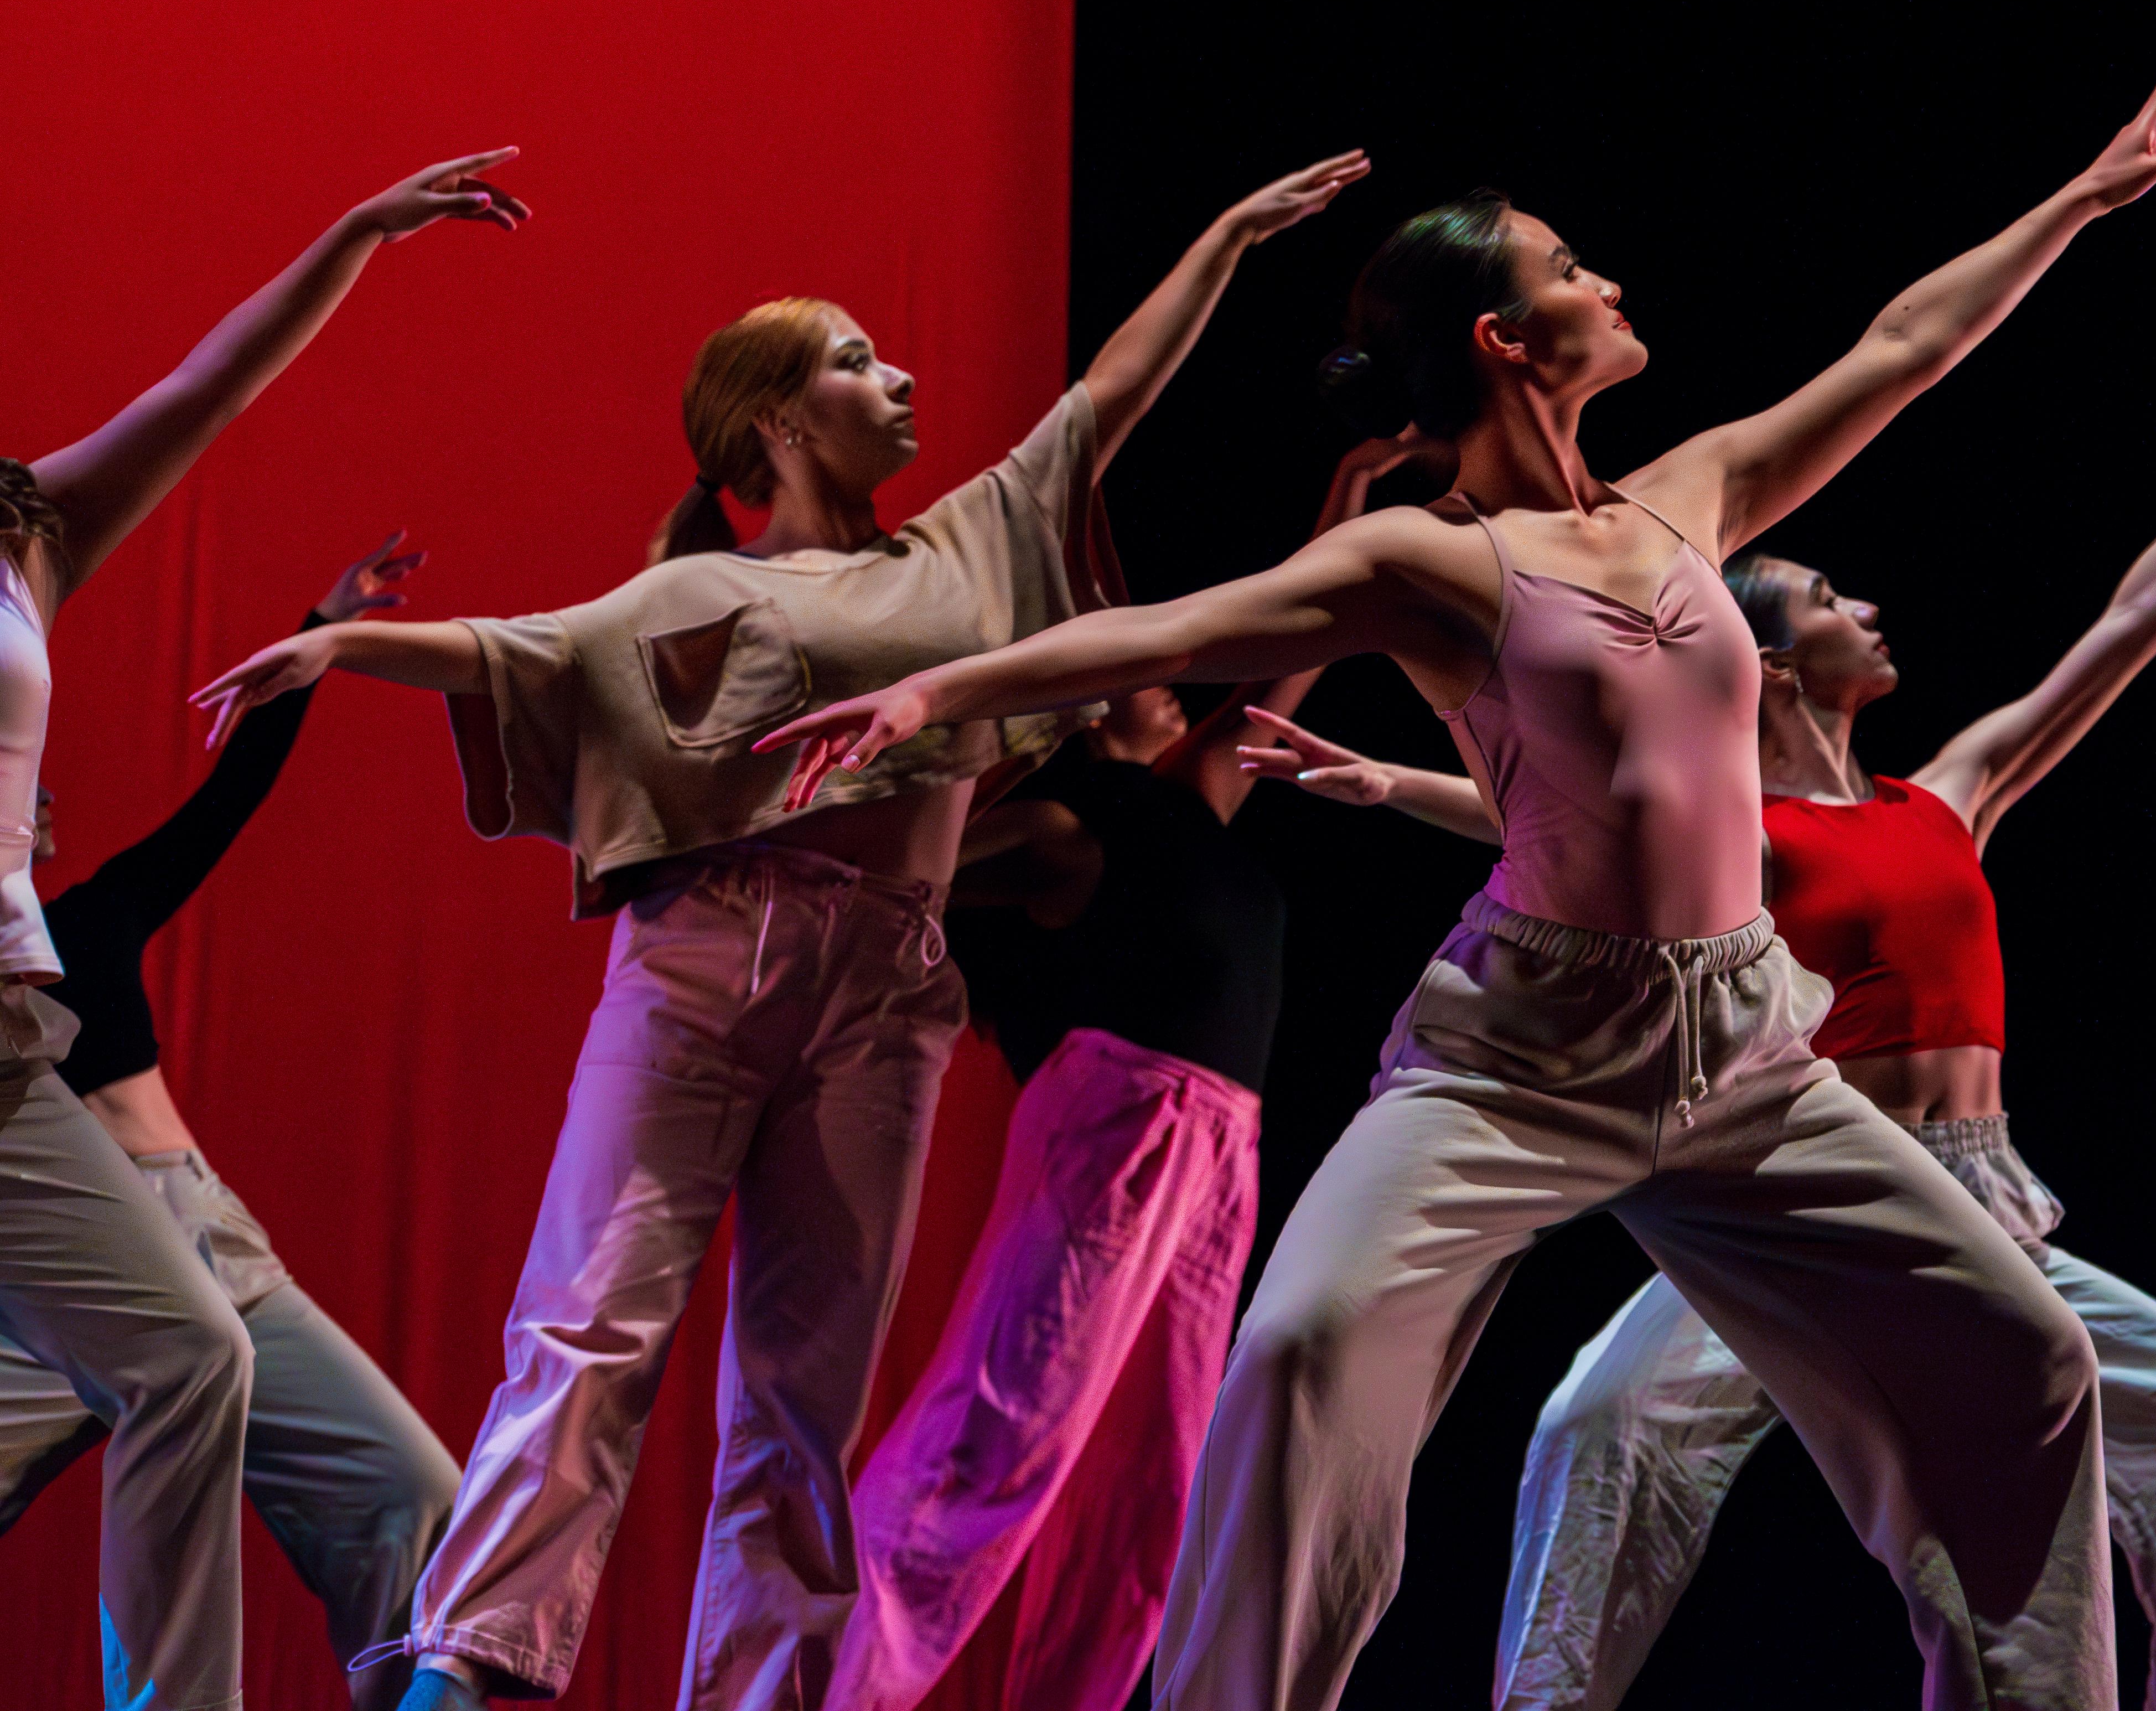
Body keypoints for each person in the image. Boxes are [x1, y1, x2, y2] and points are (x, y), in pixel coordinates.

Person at [756, 68, 2156, 1711]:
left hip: (1743, 1051)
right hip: (1521, 1055)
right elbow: (1178, 634)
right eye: (1568, 268)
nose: (1606, 280)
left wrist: (2082, 200)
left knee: (2027, 1361)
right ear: (1502, 340)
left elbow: (1908, 347)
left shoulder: (1690, 499)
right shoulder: (1433, 563)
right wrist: (930, 698)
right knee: (1303, 1353)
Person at [189, 152, 1370, 1709]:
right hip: (704, 960)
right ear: (777, 421)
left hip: (887, 988)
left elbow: (1111, 395)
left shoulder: (959, 547)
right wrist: (341, 642)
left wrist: (1221, 234)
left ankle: (760, 1700)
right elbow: (523, 648)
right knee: (593, 1325)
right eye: (858, 361)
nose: (902, 376)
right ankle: (470, 1674)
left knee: (804, 1397)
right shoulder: (702, 590)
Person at [1251, 299, 2156, 1711]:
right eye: (1835, 600)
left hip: (1966, 1208)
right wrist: (1388, 782)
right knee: (1597, 1429)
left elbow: (2127, 626)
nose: (1870, 612)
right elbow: (1570, 820)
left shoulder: (1944, 793)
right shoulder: (1742, 826)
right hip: (1790, 1188)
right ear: (1765, 661)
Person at [3, 149, 524, 1710]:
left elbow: (208, 383)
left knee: (196, 1362)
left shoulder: (28, 525)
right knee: (182, 1363)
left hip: (15, 1044)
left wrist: (355, 231)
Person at [833, 429, 1445, 1711]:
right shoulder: (1068, 822)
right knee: (1000, 1429)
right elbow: (903, 862)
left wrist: (1341, 500)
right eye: (1144, 666)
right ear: (1091, 695)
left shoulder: (1187, 794)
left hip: (1222, 1143)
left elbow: (1290, 656)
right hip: (1119, 1119)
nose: (1173, 679)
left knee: (1148, 1482)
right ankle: (828, 1684)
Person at [1, 531, 463, 1709]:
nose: (34, 790)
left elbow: (223, 808)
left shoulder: (94, 916)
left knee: (412, 1489)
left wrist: (322, 628)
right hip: (68, 1283)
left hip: (211, 1236)